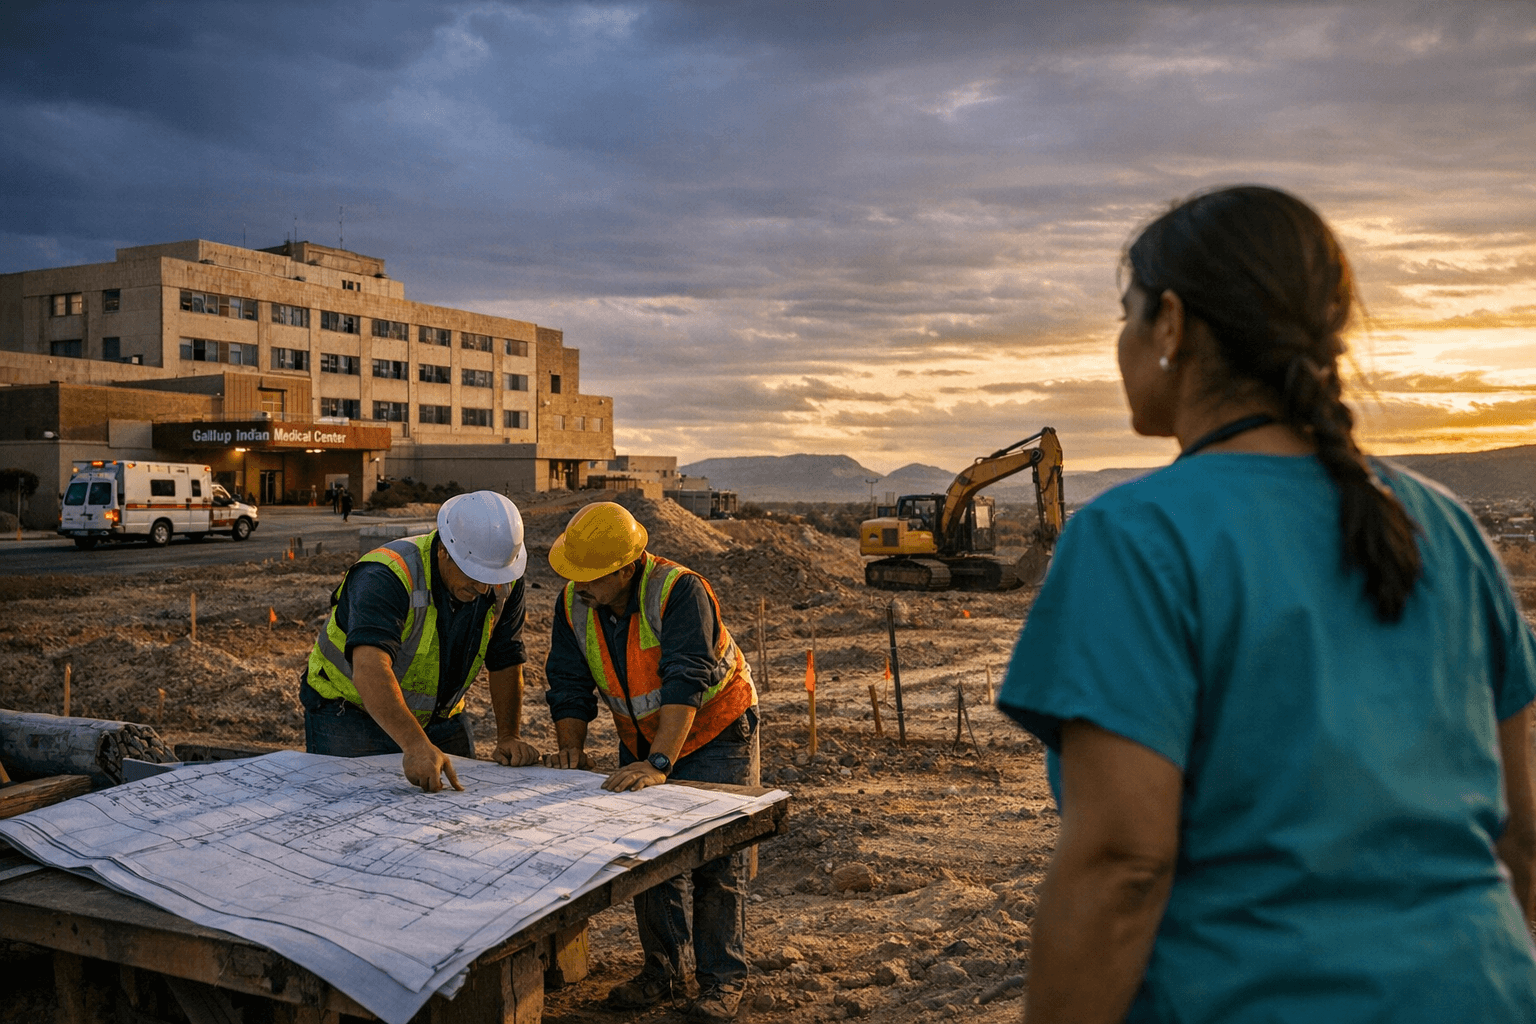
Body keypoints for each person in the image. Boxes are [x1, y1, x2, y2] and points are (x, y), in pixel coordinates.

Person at [998, 185, 1536, 1024]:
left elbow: (1122, 863)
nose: (1121, 342)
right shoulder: (1448, 527)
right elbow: (1520, 833)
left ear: (1171, 324)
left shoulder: (1136, 536)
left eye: (1125, 313)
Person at [542, 501, 759, 1022]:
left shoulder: (680, 591)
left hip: (713, 731)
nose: (580, 586)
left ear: (623, 569)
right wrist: (571, 746)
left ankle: (721, 980)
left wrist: (660, 760)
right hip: (642, 740)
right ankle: (663, 972)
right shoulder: (576, 602)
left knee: (715, 859)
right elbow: (568, 683)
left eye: (590, 576)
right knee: (651, 858)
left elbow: (688, 677)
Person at [300, 490, 541, 791]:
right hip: (349, 711)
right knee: (348, 811)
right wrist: (414, 744)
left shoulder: (504, 578)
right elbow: (370, 666)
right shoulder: (385, 575)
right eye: (472, 574)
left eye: (491, 578)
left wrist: (509, 736)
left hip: (440, 715)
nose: (482, 587)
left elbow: (505, 657)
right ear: (443, 550)